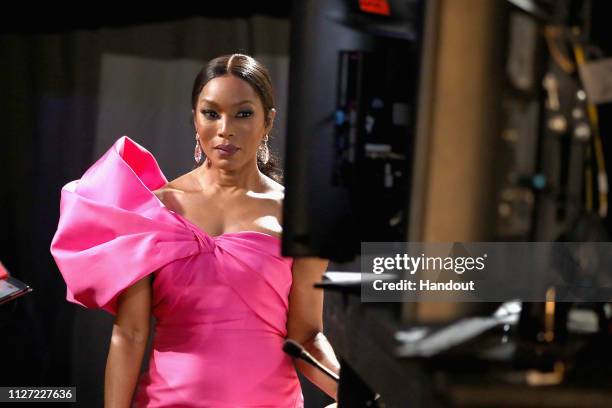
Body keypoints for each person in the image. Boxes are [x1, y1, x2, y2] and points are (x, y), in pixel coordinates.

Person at [50, 53, 340, 407]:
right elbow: (130, 333)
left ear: (268, 121)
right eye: (211, 113)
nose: (224, 129)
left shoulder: (299, 216)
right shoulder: (154, 209)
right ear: (195, 119)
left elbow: (306, 336)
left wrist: (358, 395)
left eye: (243, 114)